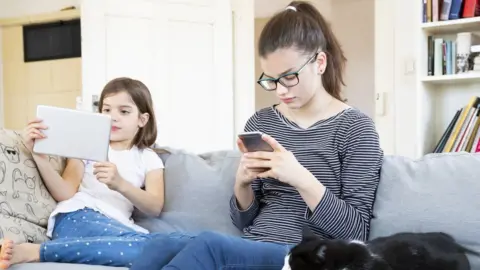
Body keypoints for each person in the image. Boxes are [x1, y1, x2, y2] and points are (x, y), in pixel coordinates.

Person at [129, 1, 384, 269]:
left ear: (319, 62)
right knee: (159, 245)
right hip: (256, 244)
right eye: (271, 80)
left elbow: (356, 232)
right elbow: (243, 222)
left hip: (304, 257)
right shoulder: (262, 122)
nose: (280, 91)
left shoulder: (356, 128)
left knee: (210, 246)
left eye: (289, 77)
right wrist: (242, 185)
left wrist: (300, 178)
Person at [0, 77, 190, 269]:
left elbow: (154, 206)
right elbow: (65, 193)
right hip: (78, 217)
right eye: (106, 110)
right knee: (161, 248)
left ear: (142, 119)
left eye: (123, 111)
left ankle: (195, 244)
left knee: (157, 248)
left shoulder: (148, 157)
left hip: (118, 228)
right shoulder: (86, 145)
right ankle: (37, 251)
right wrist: (38, 156)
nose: (113, 117)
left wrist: (120, 184)